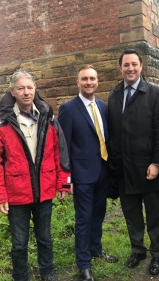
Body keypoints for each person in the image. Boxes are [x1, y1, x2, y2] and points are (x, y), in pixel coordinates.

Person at [0, 69, 72, 281]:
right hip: (16, 194)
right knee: (19, 243)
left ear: (35, 90)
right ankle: (20, 277)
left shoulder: (48, 117)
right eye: (21, 88)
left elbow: (60, 151)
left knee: (45, 238)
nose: (26, 92)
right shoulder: (2, 123)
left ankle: (47, 273)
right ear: (12, 91)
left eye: (30, 87)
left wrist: (64, 182)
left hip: (44, 190)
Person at [108, 49, 159, 276]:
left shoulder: (154, 93)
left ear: (141, 66)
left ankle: (157, 253)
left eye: (134, 64)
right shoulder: (114, 95)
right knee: (131, 213)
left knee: (154, 214)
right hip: (124, 167)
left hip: (148, 167)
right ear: (121, 68)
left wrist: (157, 163)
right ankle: (138, 249)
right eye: (126, 65)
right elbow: (113, 132)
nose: (130, 68)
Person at [58, 65, 118, 281]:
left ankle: (96, 249)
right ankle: (83, 265)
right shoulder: (68, 108)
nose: (89, 82)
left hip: (103, 170)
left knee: (98, 215)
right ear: (78, 82)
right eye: (84, 79)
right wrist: (68, 177)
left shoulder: (102, 106)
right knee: (84, 218)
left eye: (92, 78)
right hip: (81, 174)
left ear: (97, 81)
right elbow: (63, 145)